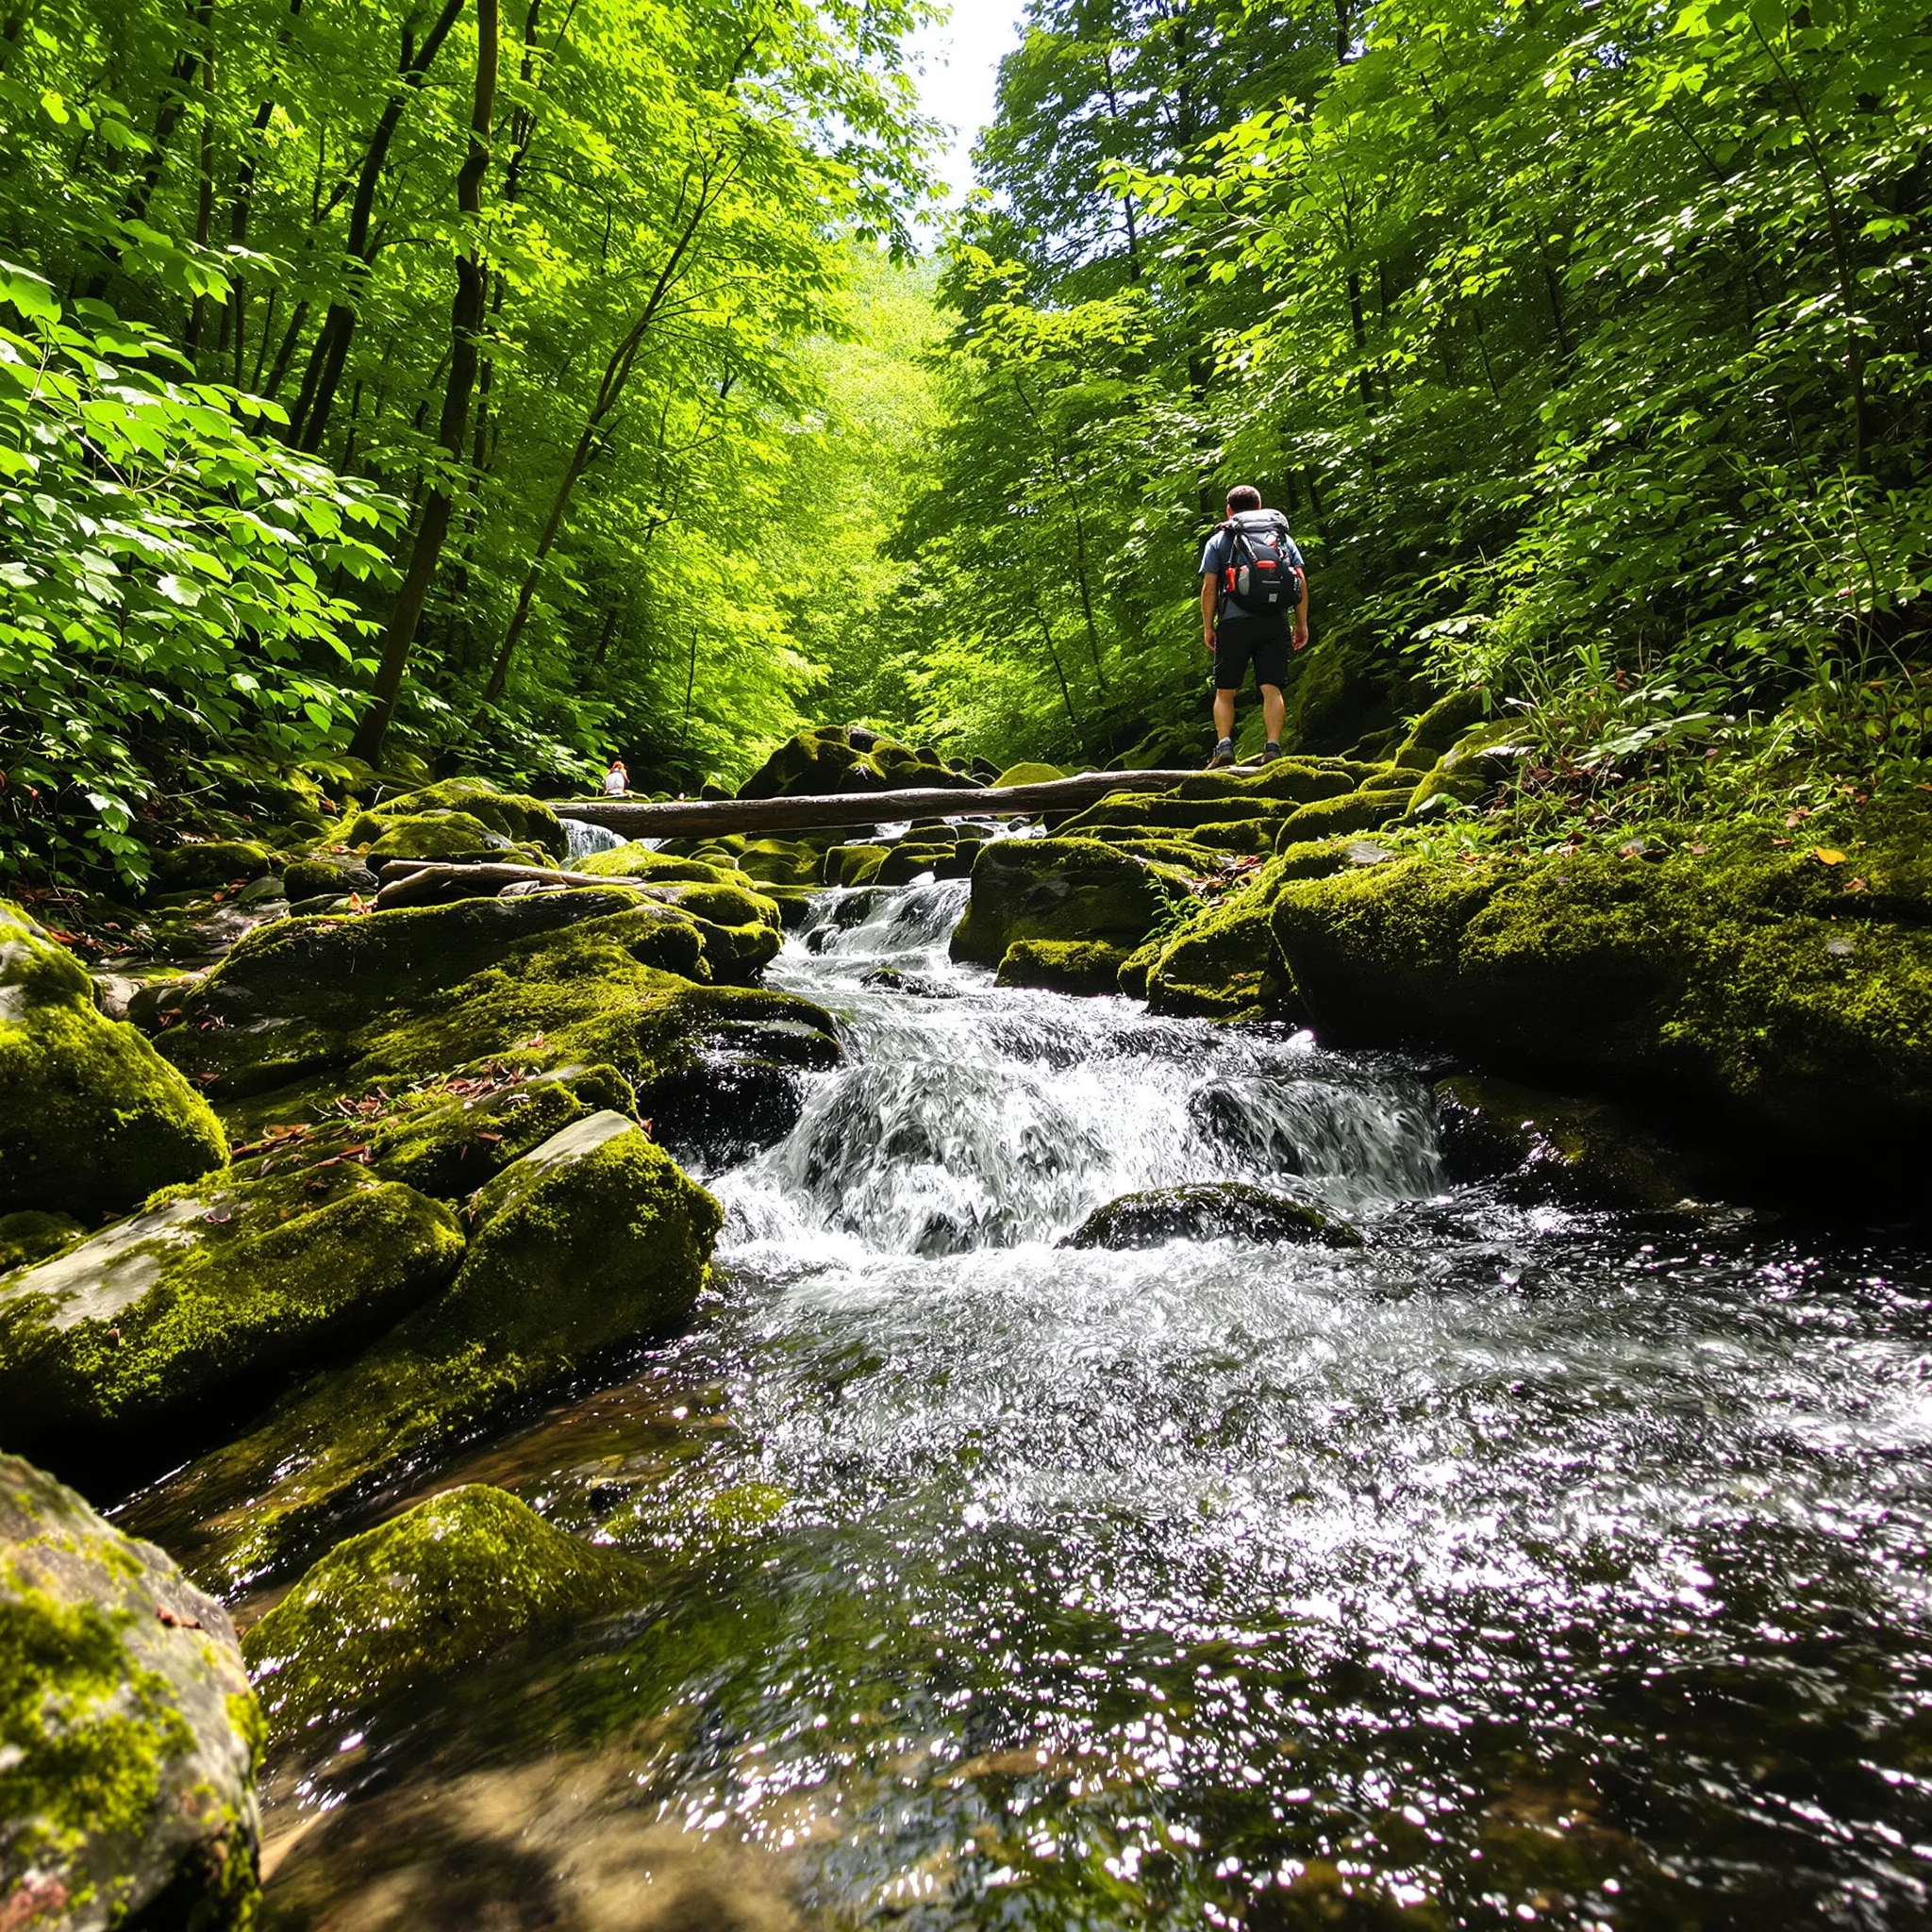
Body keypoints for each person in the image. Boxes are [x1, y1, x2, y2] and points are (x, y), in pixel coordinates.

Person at [1199, 485, 1309, 768]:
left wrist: (1208, 626)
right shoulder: (1281, 538)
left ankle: (1224, 746)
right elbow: (1299, 579)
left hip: (1233, 624)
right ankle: (1272, 747)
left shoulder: (1220, 539)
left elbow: (1210, 588)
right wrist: (1301, 623)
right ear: (1260, 507)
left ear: (1228, 509)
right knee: (1271, 687)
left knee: (1225, 690)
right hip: (1273, 621)